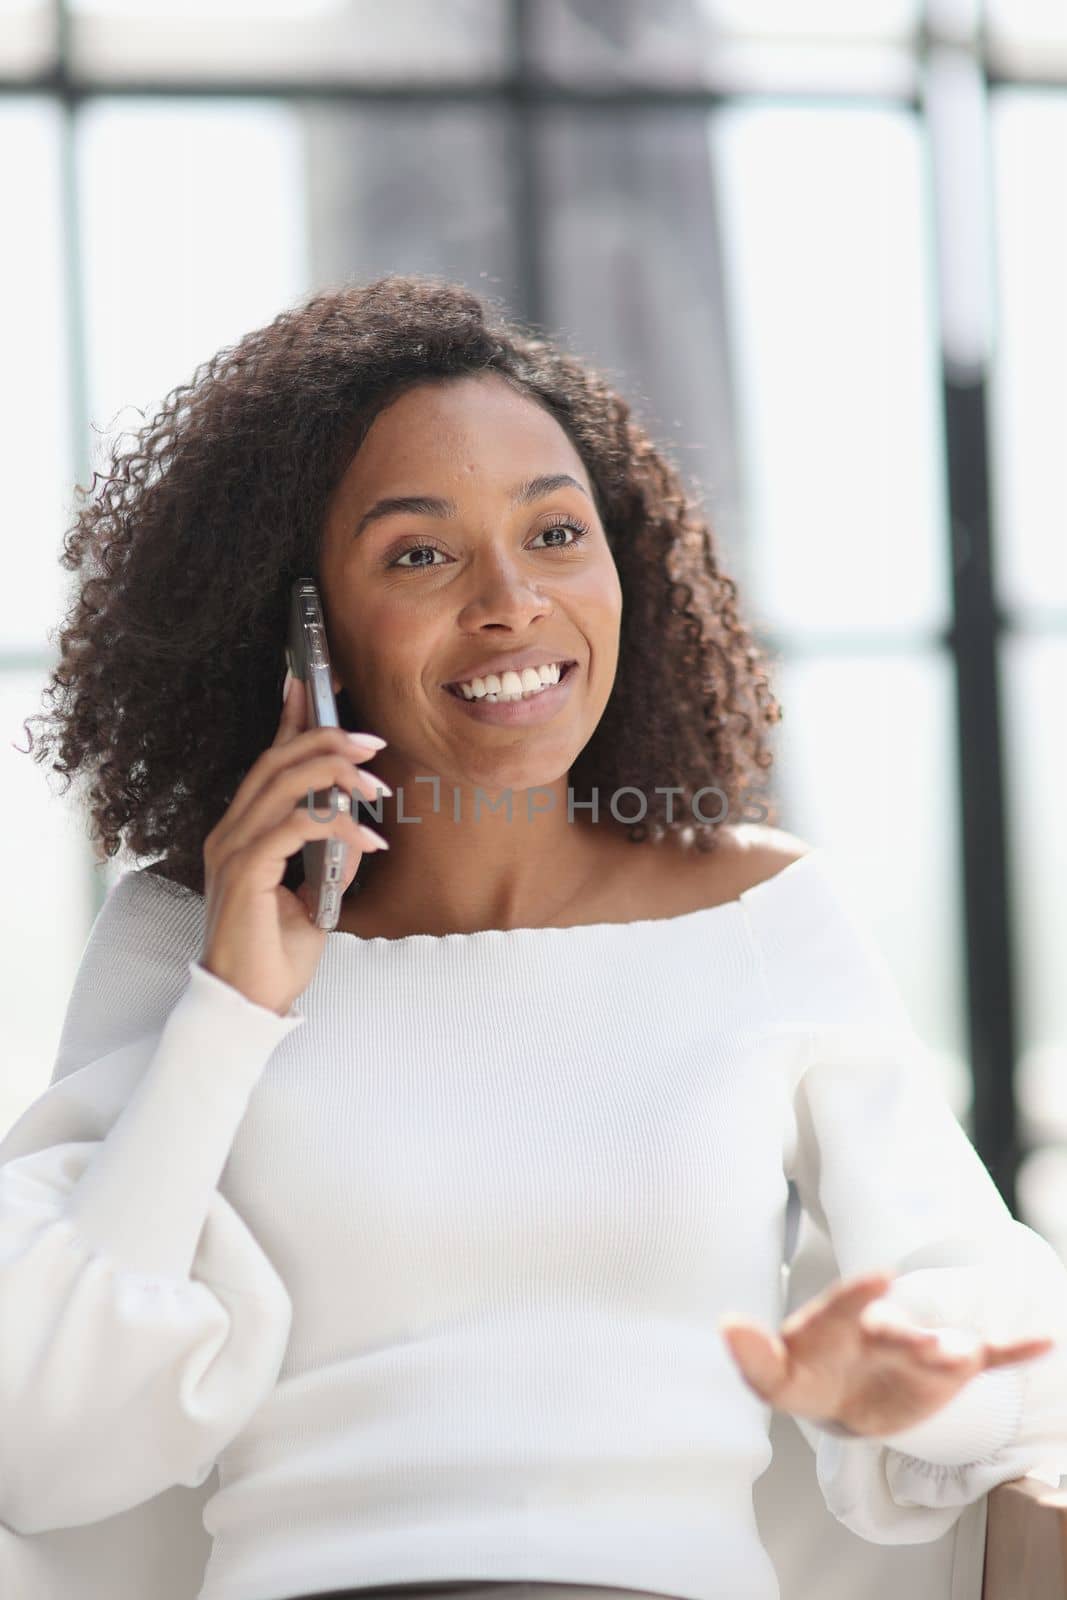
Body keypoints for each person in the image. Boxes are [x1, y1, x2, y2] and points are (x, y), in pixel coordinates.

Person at [4, 275, 1067, 1600]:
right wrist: (231, 1012)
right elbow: (38, 1449)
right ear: (296, 634)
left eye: (555, 534)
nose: (512, 602)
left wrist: (906, 1394)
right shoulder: (187, 941)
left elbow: (1000, 1334)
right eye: (419, 554)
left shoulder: (758, 918)